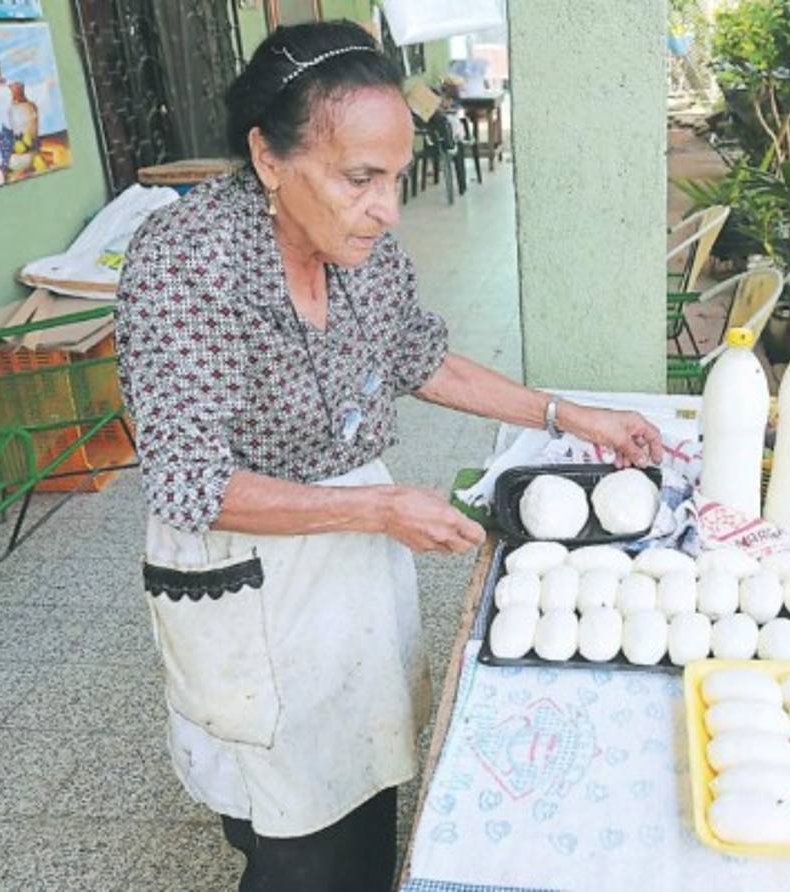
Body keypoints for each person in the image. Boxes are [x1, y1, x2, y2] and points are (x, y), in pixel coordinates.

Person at [114, 20, 663, 892]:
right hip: (246, 557)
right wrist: (377, 508)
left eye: (396, 178)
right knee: (295, 834)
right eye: (360, 179)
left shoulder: (360, 246)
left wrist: (568, 411)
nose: (387, 208)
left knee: (364, 781)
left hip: (352, 550)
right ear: (267, 158)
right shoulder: (188, 263)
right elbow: (191, 480)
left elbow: (417, 353)